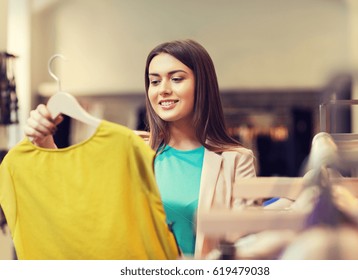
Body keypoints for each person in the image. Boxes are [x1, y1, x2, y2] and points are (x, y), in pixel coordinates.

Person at [24, 39, 257, 259]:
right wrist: (43, 141)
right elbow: (73, 197)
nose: (162, 89)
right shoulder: (129, 148)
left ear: (202, 85)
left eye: (176, 79)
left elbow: (246, 242)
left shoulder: (235, 160)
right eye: (154, 81)